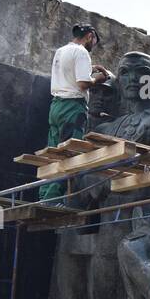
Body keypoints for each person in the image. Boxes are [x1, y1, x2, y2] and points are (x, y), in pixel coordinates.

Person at [41, 23, 113, 201]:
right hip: (72, 107)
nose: (93, 44)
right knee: (69, 153)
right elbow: (82, 84)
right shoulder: (82, 52)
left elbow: (69, 77)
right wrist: (100, 78)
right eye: (94, 40)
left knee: (53, 153)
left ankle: (44, 196)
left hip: (56, 106)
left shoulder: (61, 51)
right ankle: (55, 200)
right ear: (89, 36)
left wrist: (89, 70)